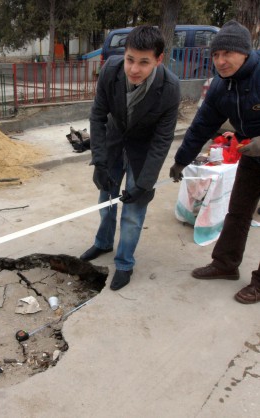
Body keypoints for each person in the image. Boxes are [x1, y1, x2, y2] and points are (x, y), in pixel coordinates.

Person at [80, 26, 180, 291]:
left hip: (143, 151)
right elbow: (98, 117)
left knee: (134, 211)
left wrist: (144, 183)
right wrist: (99, 161)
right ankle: (103, 243)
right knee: (106, 199)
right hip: (113, 143)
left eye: (144, 62)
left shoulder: (170, 89)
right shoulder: (111, 71)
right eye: (130, 59)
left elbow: (162, 140)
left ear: (159, 60)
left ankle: (124, 262)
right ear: (124, 55)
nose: (134, 69)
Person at [170, 20, 260, 304]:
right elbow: (200, 126)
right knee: (238, 212)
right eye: (216, 55)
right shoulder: (222, 86)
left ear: (245, 52)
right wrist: (181, 161)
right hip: (252, 156)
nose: (220, 62)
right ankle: (225, 264)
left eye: (227, 54)